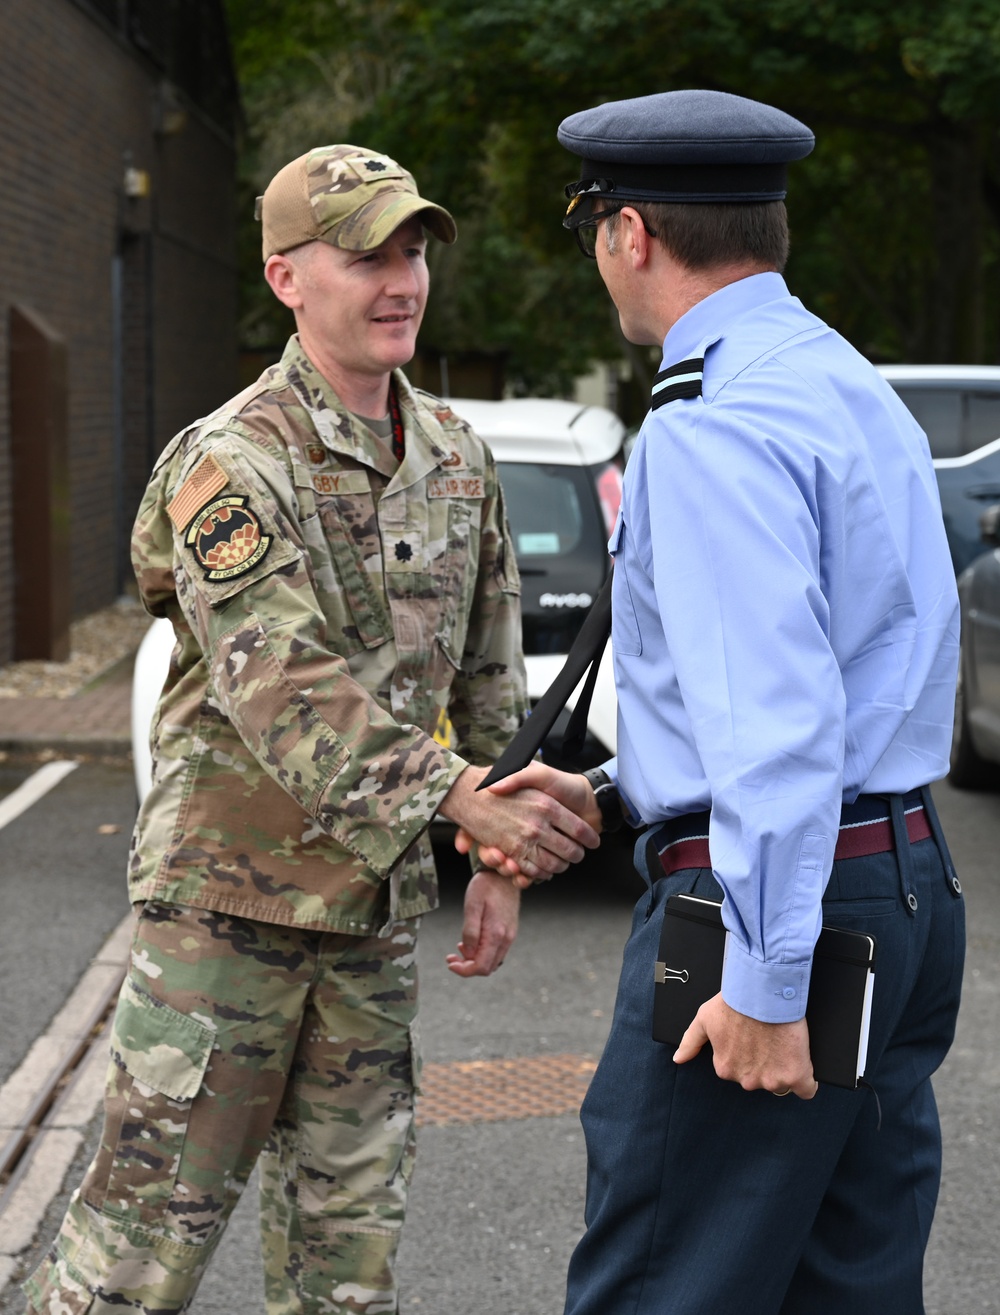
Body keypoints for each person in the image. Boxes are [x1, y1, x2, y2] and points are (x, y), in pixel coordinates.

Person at [23, 144, 598, 1315]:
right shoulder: (231, 461)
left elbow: (489, 671)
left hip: (369, 922)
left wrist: (498, 851)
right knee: (134, 1263)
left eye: (413, 250)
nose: (400, 280)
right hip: (226, 922)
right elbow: (281, 684)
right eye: (362, 256)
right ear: (287, 278)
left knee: (347, 1272)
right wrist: (460, 802)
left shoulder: (454, 454)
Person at [473, 89, 965, 1313]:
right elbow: (856, 677)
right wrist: (608, 785)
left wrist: (765, 974)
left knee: (664, 1279)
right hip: (900, 878)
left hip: (777, 900)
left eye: (590, 228)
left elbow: (782, 728)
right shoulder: (838, 379)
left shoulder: (714, 425)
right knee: (845, 1283)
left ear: (627, 231)